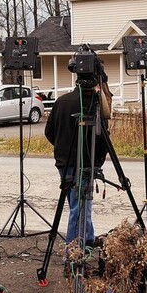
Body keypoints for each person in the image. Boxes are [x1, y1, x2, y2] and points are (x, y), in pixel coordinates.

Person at [44, 80, 108, 246]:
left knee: (79, 205)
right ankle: (72, 254)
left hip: (64, 163)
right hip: (83, 164)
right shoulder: (94, 106)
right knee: (78, 209)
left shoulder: (61, 101)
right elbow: (103, 139)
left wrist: (62, 148)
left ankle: (88, 239)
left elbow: (49, 132)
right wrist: (98, 161)